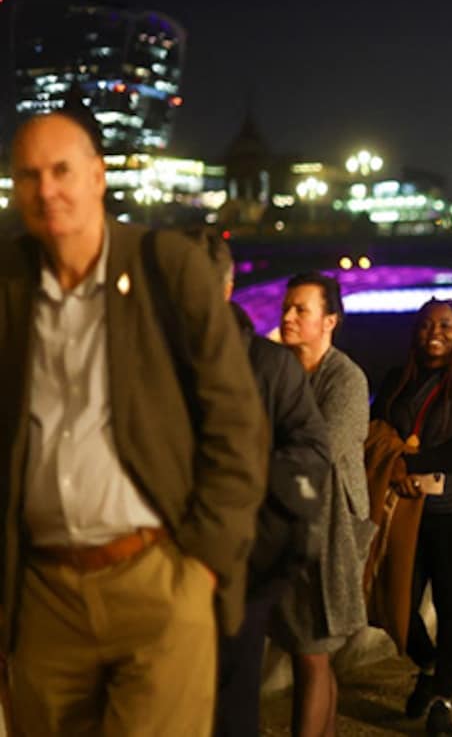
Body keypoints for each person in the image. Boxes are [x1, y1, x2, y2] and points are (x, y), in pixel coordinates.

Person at [0, 110, 268, 735]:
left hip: (156, 577)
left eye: (62, 170)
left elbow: (238, 424)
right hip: (43, 599)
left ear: (98, 176)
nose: (47, 190)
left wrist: (200, 566)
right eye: (29, 175)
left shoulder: (166, 269)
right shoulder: (9, 285)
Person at [201, 232, 333, 737]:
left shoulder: (270, 366)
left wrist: (246, 485)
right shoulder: (145, 359)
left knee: (232, 703)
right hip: (159, 561)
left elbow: (313, 453)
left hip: (243, 560)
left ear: (227, 285)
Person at [372, 298, 452, 736]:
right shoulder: (395, 380)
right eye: (426, 325)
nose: (435, 332)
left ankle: (443, 696)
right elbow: (378, 433)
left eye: (445, 325)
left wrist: (415, 463)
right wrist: (395, 469)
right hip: (407, 510)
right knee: (397, 602)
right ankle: (427, 663)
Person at [270, 272, 375, 737]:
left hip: (332, 531)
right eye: (287, 307)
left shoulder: (346, 379)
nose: (288, 317)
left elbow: (323, 449)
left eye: (301, 310)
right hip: (294, 522)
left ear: (330, 320)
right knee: (310, 652)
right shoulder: (282, 369)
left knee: (312, 650)